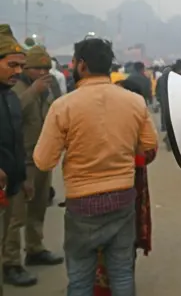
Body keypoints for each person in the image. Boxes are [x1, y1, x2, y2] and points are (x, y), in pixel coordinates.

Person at [32, 38, 158, 296]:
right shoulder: (134, 102)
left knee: (80, 279)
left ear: (81, 65)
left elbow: (43, 161)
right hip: (123, 198)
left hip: (82, 203)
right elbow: (148, 148)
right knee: (122, 273)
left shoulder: (63, 106)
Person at [4, 45, 64, 287]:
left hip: (42, 158)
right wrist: (32, 91)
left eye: (46, 68)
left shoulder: (46, 90)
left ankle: (35, 248)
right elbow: (12, 114)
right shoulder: (14, 89)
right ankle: (10, 262)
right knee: (15, 216)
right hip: (21, 161)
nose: (42, 72)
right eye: (37, 68)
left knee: (39, 207)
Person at [94, 79, 156, 296]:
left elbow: (148, 152)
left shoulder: (135, 123)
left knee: (119, 249)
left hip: (124, 194)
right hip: (112, 193)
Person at [0, 24, 32, 295]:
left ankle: (10, 265)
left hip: (11, 183)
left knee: (11, 227)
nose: (18, 72)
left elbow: (16, 141)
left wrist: (22, 177)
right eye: (12, 65)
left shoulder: (10, 98)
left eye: (21, 66)